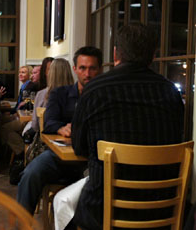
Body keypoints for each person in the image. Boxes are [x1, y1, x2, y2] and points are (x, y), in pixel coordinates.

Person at [53, 24, 186, 230]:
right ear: (152, 56)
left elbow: (79, 149)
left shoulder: (94, 90)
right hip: (163, 208)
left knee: (63, 201)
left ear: (116, 53)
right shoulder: (171, 92)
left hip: (104, 209)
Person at [14, 58, 83, 211]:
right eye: (83, 68)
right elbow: (49, 124)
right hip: (62, 153)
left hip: (56, 151)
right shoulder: (62, 94)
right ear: (73, 70)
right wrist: (61, 127)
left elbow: (36, 125)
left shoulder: (44, 94)